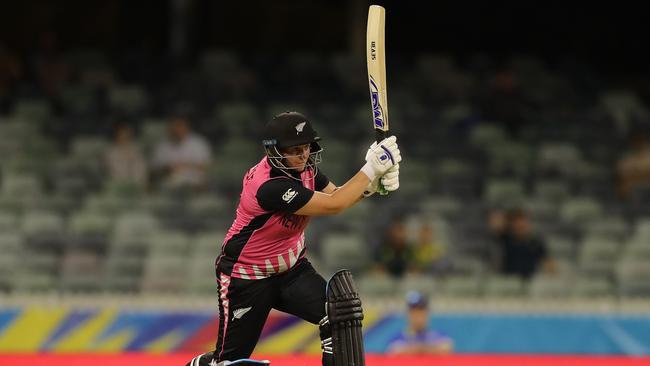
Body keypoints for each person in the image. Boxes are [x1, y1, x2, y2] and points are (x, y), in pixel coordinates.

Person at [186, 111, 401, 366]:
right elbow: (334, 205)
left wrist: (373, 184)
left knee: (340, 317)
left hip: (291, 270)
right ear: (275, 151)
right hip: (247, 277)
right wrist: (370, 168)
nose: (303, 155)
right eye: (295, 150)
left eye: (306, 148)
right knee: (230, 362)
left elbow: (340, 195)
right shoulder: (269, 186)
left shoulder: (306, 168)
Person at [151, 115, 212, 190]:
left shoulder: (199, 143)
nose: (177, 130)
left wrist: (185, 165)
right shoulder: (162, 146)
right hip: (169, 184)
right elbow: (155, 167)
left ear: (186, 128)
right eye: (175, 127)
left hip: (195, 184)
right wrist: (168, 168)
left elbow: (206, 166)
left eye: (180, 126)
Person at [495, 208, 555, 280]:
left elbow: (547, 260)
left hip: (530, 280)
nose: (521, 225)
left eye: (523, 223)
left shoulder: (535, 242)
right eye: (517, 223)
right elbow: (495, 223)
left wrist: (551, 270)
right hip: (507, 279)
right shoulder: (504, 238)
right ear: (511, 225)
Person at [387, 290, 453, 355]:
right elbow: (395, 351)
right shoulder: (398, 337)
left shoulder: (438, 335)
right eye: (414, 311)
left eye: (421, 311)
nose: (418, 315)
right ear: (408, 313)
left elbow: (446, 348)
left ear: (427, 313)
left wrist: (415, 350)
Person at [104, 123, 148, 188]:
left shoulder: (136, 149)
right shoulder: (110, 153)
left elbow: (142, 169)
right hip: (119, 186)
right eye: (122, 135)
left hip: (138, 185)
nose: (125, 137)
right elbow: (116, 173)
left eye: (127, 135)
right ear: (116, 136)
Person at [617, 131, 650, 200]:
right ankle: (629, 206)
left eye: (640, 142)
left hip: (645, 182)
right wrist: (643, 174)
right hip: (634, 185)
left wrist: (636, 173)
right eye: (636, 142)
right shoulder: (627, 157)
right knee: (624, 185)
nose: (639, 144)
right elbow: (623, 176)